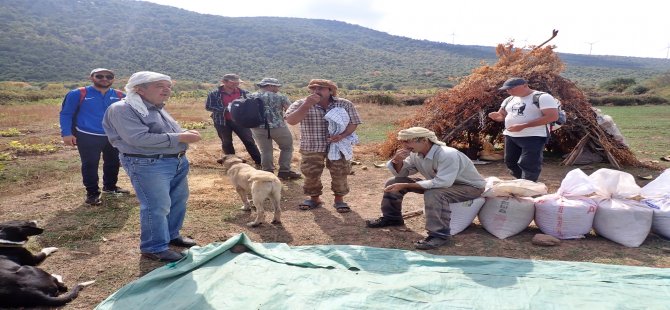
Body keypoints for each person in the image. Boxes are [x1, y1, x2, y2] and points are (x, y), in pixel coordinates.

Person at [102, 71, 201, 262]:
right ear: (139, 89)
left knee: (177, 201)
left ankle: (171, 235)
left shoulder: (156, 107)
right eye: (159, 86)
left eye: (168, 86)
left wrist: (184, 132)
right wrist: (181, 137)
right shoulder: (122, 109)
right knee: (157, 205)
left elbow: (165, 131)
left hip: (175, 160)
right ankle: (154, 247)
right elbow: (138, 138)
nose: (167, 89)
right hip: (148, 163)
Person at [366, 127, 486, 250]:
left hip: (470, 187)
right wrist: (397, 161)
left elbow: (443, 182)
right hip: (441, 185)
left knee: (433, 193)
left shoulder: (448, 154)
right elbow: (403, 173)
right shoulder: (415, 154)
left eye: (408, 141)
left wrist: (407, 185)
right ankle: (392, 218)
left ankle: (439, 235)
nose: (404, 145)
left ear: (424, 140)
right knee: (393, 182)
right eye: (403, 141)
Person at [285, 79, 362, 213]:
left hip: (338, 144)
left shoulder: (344, 104)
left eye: (320, 88)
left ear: (330, 90)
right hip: (312, 144)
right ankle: (314, 198)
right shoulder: (300, 103)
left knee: (340, 171)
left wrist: (342, 135)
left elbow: (354, 123)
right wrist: (307, 105)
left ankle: (339, 200)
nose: (316, 91)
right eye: (313, 88)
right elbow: (291, 121)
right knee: (310, 172)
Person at [59, 68, 129, 206]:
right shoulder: (78, 94)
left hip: (112, 136)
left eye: (109, 76)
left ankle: (110, 187)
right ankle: (92, 193)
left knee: (113, 162)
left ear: (113, 79)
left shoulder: (121, 95)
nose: (105, 79)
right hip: (87, 135)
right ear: (91, 77)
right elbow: (66, 113)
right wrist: (66, 133)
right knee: (90, 164)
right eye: (100, 76)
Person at [488, 77, 559, 182]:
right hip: (511, 136)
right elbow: (501, 116)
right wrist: (496, 116)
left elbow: (552, 116)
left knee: (529, 163)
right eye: (507, 89)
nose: (509, 91)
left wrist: (523, 126)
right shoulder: (509, 99)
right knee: (510, 162)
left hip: (533, 136)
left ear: (525, 85)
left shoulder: (542, 97)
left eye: (512, 88)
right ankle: (523, 182)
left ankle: (529, 186)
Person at [250, 78, 301, 180]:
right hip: (278, 127)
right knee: (287, 147)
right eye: (277, 86)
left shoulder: (251, 96)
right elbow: (290, 110)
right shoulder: (280, 97)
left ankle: (267, 173)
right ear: (270, 86)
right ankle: (284, 171)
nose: (278, 88)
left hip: (258, 128)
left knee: (265, 150)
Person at [205, 73, 262, 166]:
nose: (236, 84)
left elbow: (251, 105)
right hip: (222, 121)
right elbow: (208, 107)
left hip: (241, 121)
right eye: (233, 83)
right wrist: (226, 109)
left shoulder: (244, 93)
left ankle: (259, 162)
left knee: (249, 141)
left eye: (237, 83)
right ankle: (233, 164)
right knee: (227, 142)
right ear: (224, 82)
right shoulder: (214, 94)